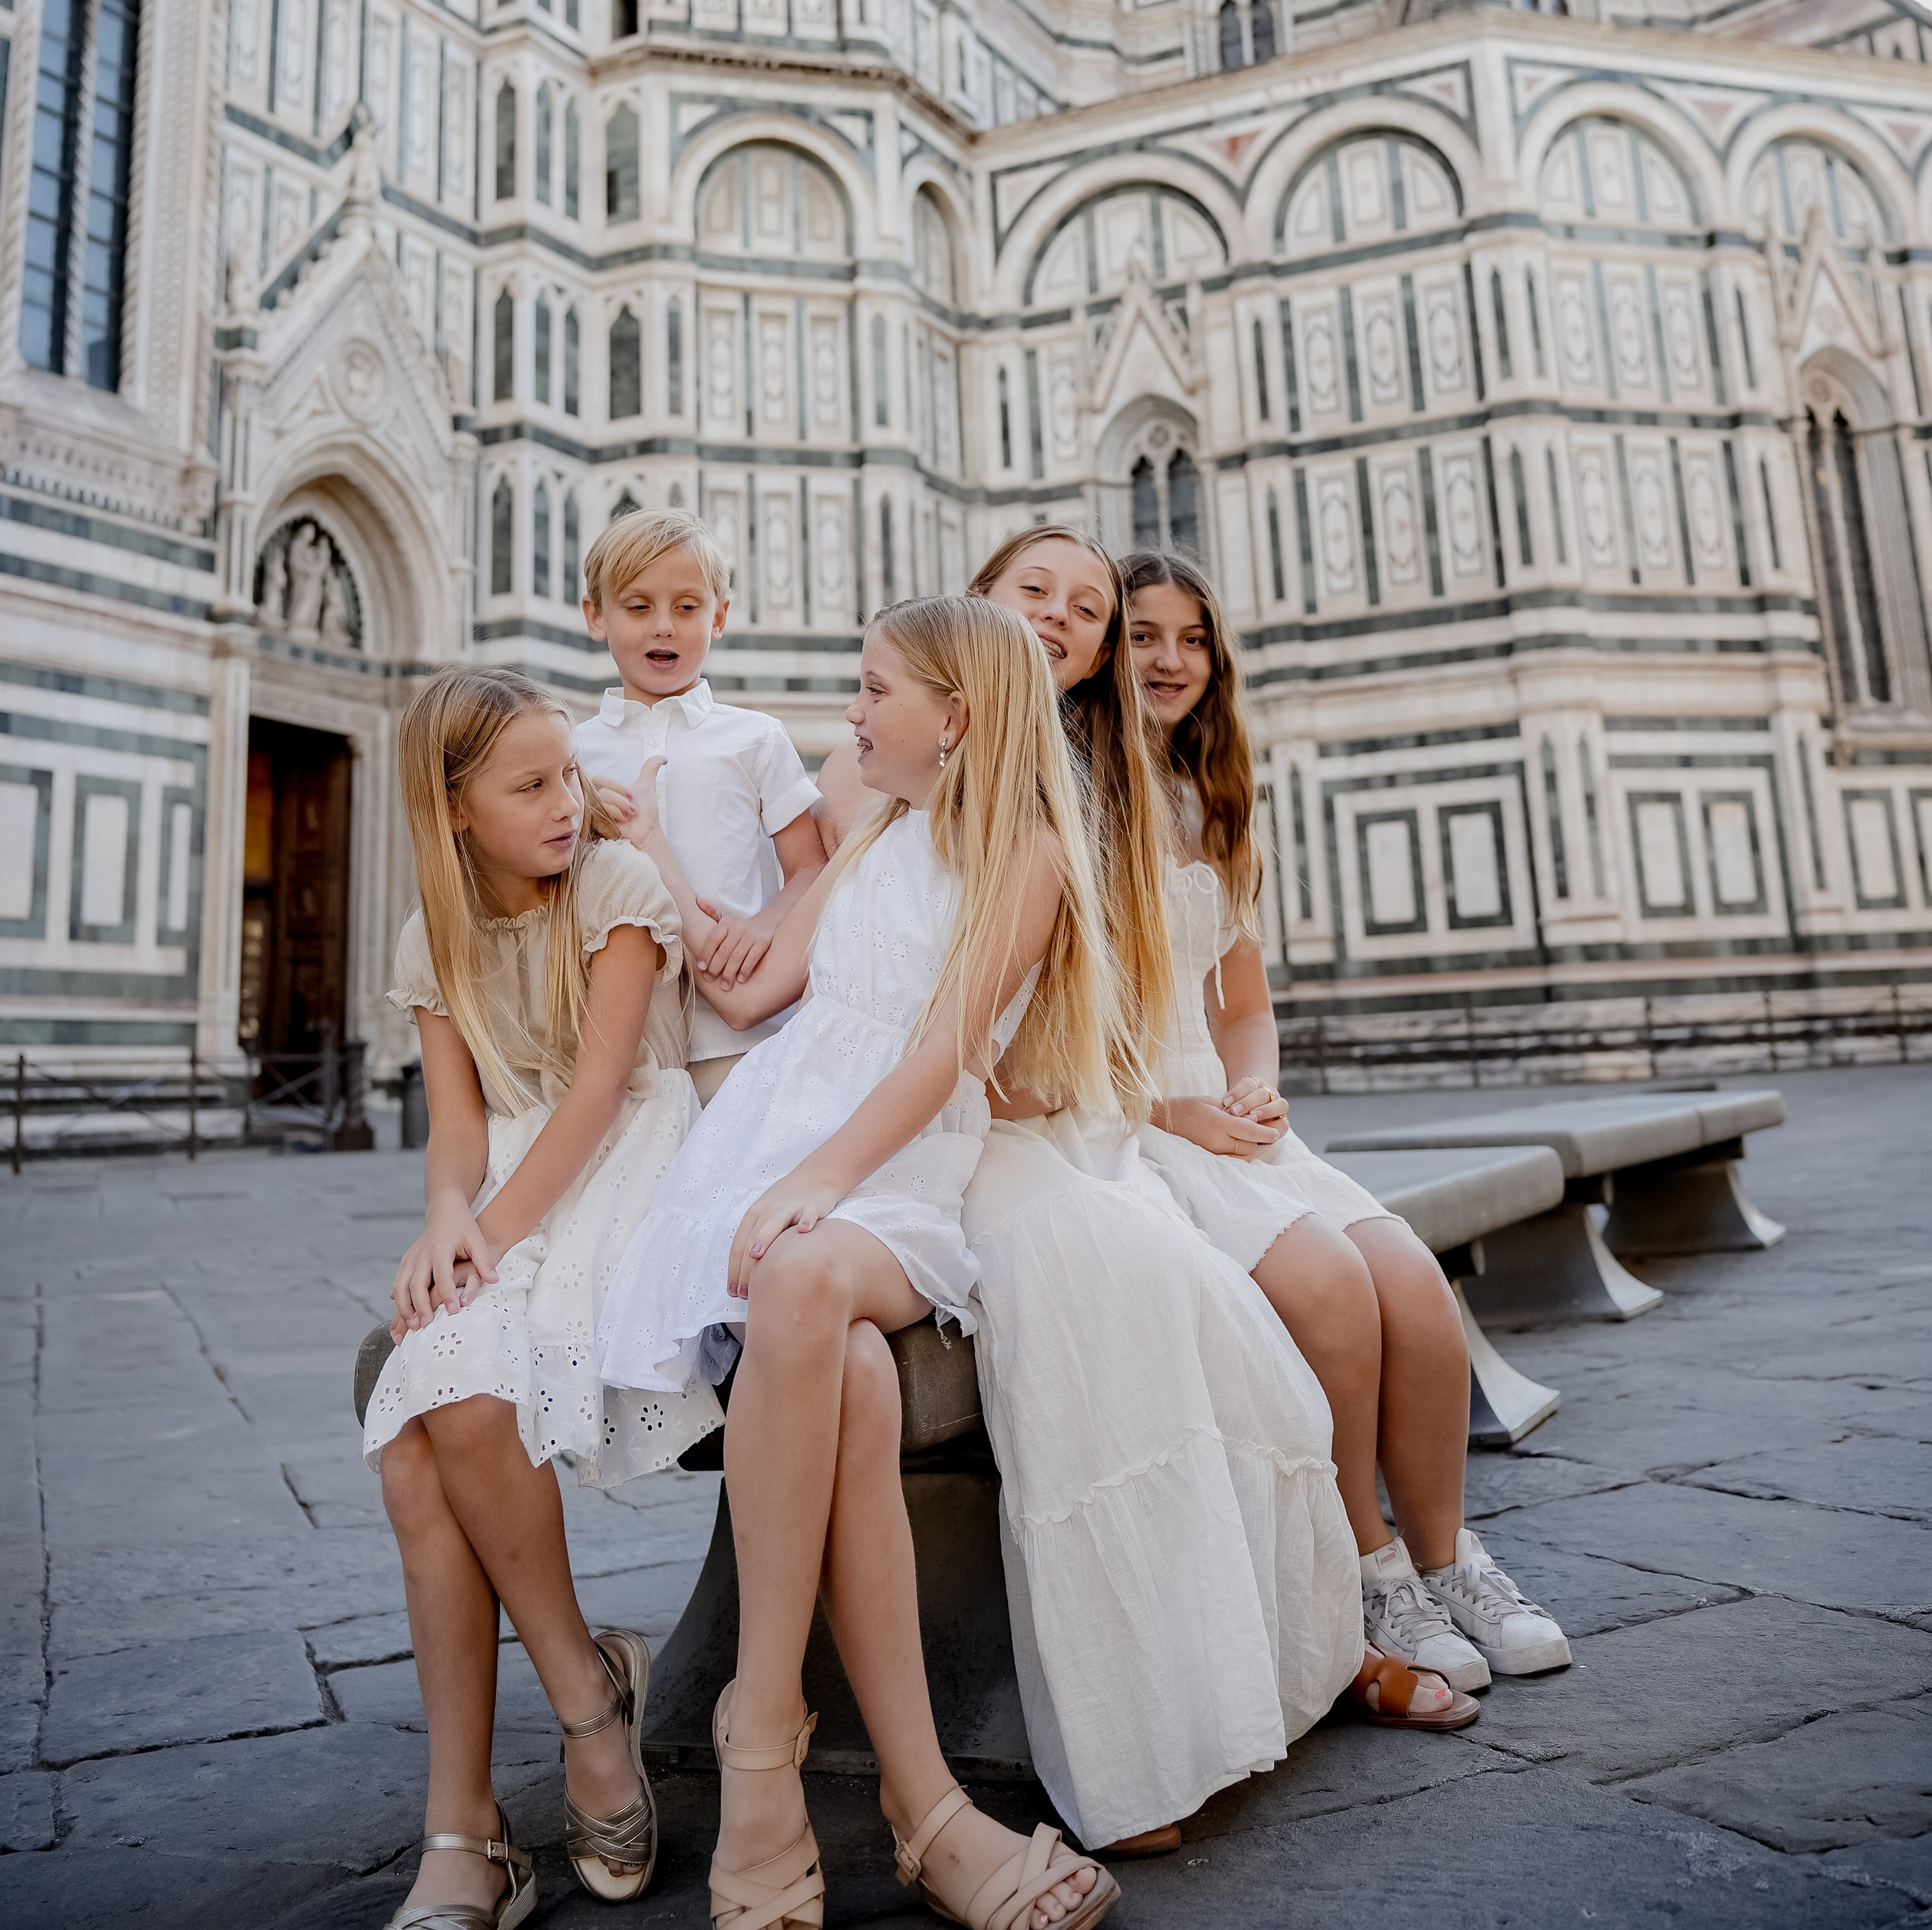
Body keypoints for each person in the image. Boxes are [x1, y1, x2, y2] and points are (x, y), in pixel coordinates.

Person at [841, 528, 1382, 1858]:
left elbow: (1058, 1036)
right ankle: (1144, 1748)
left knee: (1207, 1320)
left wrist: (1047, 1087)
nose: (1069, 621)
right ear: (972, 612)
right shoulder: (875, 770)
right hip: (932, 1154)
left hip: (1040, 1131)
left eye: (1091, 608)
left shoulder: (1062, 809)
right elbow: (801, 967)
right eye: (1039, 595)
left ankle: (1256, 1680)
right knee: (1103, 1309)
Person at [598, 596, 1123, 1930]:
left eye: (874, 688)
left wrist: (819, 1182)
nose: (850, 710)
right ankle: (926, 1807)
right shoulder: (872, 814)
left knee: (809, 1276)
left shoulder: (1031, 857)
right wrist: (652, 844)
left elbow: (945, 1045)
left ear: (952, 714)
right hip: (773, 1144)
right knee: (849, 1374)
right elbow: (753, 990)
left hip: (894, 1174)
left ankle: (761, 1726)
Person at [1122, 547, 1572, 1692]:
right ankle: (1366, 1572)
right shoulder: (1068, 800)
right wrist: (1179, 1111)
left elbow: (1246, 1003)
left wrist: (1254, 1085)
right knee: (1328, 1283)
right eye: (1141, 634)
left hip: (1222, 1109)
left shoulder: (1208, 800)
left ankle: (1448, 1560)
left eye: (1191, 638)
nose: (1170, 658)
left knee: (1413, 1284)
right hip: (1130, 1118)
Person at [363, 667, 714, 1924]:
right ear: (454, 810)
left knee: (438, 1420)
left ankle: (484, 1817)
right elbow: (460, 1129)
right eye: (531, 786)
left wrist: (490, 1242)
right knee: (414, 1442)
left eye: (569, 773)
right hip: (517, 1181)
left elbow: (600, 1091)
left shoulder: (616, 889)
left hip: (628, 1175)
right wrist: (447, 1225)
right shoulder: (430, 935)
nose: (567, 801)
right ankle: (565, 1721)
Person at [574, 509, 825, 1106]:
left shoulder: (756, 738)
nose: (664, 626)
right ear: (595, 616)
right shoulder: (574, 750)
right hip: (616, 1044)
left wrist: (762, 926)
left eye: (687, 608)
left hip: (738, 1045)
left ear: (718, 617)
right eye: (638, 608)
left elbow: (813, 869)